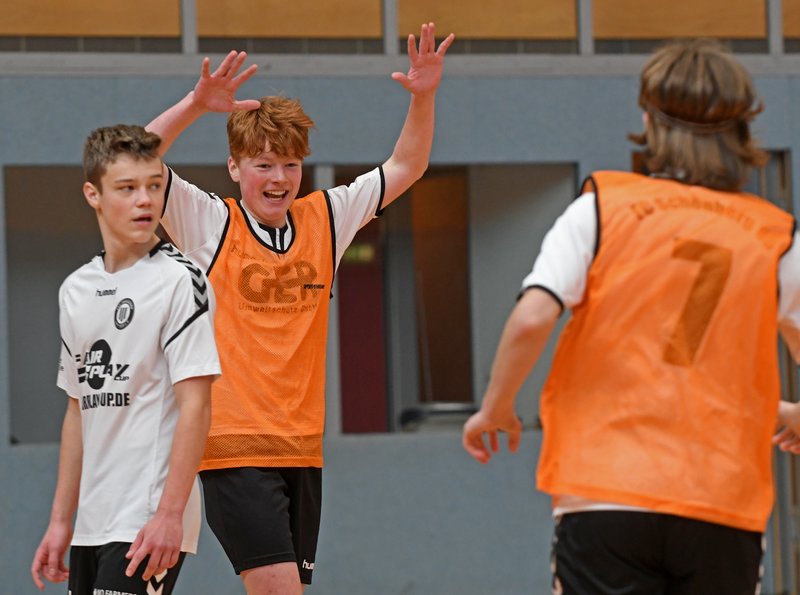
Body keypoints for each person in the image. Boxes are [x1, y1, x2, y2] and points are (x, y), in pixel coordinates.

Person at [462, 38, 800, 595]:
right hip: (721, 495)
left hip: (605, 489)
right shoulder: (776, 235)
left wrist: (496, 407)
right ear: (744, 130)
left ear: (648, 120)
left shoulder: (602, 207)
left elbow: (531, 318)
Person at [145, 22, 454, 594]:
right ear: (235, 168)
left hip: (303, 449)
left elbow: (406, 166)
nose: (279, 178)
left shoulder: (326, 219)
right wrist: (195, 104)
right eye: (263, 164)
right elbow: (131, 160)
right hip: (232, 447)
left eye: (290, 165)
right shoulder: (210, 222)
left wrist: (425, 95)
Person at [30, 124, 221, 594]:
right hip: (93, 523)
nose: (145, 201)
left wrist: (170, 514)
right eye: (128, 188)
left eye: (154, 186)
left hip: (149, 518)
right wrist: (61, 521)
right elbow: (78, 410)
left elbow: (196, 406)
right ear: (93, 195)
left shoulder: (181, 281)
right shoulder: (76, 289)